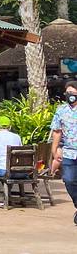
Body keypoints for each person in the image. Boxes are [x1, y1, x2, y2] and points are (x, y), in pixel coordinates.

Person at [49, 79, 77, 225]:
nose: (70, 95)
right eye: (68, 92)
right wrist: (55, 149)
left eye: (73, 92)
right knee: (69, 180)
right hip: (69, 152)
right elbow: (57, 131)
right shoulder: (61, 110)